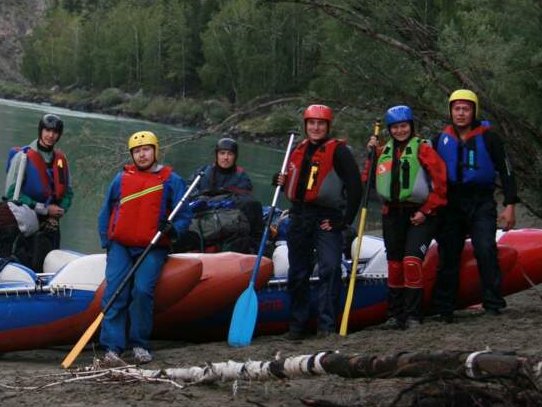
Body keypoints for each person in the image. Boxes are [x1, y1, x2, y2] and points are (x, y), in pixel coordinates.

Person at [97, 130, 191, 365]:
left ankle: (139, 344)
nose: (142, 155)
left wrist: (172, 228)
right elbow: (106, 211)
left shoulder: (172, 180)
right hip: (120, 245)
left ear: (155, 151)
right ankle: (112, 347)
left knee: (141, 291)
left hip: (153, 246)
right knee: (115, 292)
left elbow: (185, 215)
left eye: (146, 149)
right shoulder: (121, 179)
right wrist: (106, 242)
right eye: (137, 151)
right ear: (132, 155)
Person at [276, 105, 363, 340]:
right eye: (311, 123)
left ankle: (326, 326)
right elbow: (293, 185)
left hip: (326, 218)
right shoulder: (299, 149)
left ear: (327, 127)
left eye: (320, 124)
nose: (315, 128)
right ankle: (297, 326)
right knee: (298, 272)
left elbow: (356, 188)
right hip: (300, 216)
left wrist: (344, 221)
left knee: (331, 268)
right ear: (306, 126)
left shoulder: (339, 152)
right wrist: (280, 181)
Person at [431, 90, 518, 321]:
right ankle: (444, 308)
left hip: (481, 201)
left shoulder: (490, 138)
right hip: (450, 203)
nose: (460, 113)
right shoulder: (439, 139)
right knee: (448, 254)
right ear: (451, 111)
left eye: (465, 109)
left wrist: (510, 205)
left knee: (485, 248)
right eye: (456, 109)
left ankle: (492, 303)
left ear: (474, 111)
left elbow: (507, 173)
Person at [365, 105, 447, 329]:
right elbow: (368, 180)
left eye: (404, 126)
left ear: (411, 127)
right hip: (392, 214)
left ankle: (413, 314)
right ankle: (394, 314)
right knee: (395, 264)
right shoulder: (382, 151)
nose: (400, 131)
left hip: (419, 213)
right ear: (389, 130)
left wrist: (426, 210)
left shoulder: (423, 149)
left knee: (411, 261)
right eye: (395, 127)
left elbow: (440, 185)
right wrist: (370, 155)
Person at [0, 113, 74, 265]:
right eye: (47, 130)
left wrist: (59, 211)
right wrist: (44, 209)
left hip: (51, 224)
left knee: (47, 263)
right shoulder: (23, 157)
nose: (50, 135)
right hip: (24, 219)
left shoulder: (61, 160)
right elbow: (12, 194)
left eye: (55, 132)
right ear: (41, 131)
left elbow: (68, 193)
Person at [176, 137, 261, 253]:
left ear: (235, 157)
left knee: (252, 205)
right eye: (222, 153)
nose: (225, 158)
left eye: (230, 154)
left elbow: (244, 202)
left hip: (227, 218)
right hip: (203, 216)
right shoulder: (203, 171)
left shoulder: (242, 177)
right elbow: (188, 192)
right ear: (217, 155)